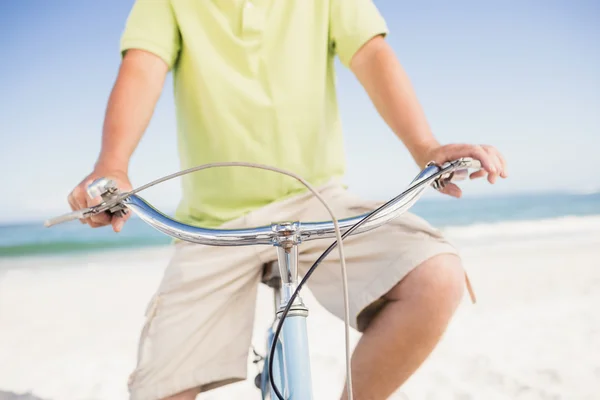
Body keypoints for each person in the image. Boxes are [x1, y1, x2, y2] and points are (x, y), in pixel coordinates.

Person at [68, 1, 507, 399]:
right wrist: (113, 164)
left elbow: (371, 55)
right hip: (211, 223)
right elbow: (143, 68)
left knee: (436, 277)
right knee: (159, 389)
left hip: (315, 199)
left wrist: (425, 147)